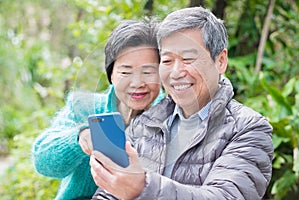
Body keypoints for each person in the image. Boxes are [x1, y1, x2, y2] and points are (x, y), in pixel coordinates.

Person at [90, 6, 274, 200]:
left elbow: (224, 196)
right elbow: (108, 194)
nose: (176, 72)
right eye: (167, 61)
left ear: (220, 61)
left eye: (188, 59)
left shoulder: (249, 129)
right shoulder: (145, 123)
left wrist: (142, 187)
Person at [31, 19, 165, 200]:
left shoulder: (172, 114)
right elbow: (42, 161)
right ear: (111, 74)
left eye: (148, 72)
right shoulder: (84, 107)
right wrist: (80, 137)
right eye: (125, 72)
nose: (137, 83)